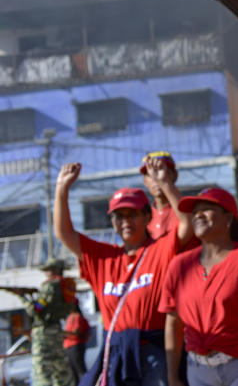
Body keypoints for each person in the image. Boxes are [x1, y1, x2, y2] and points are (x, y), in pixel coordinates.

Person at [54, 159, 192, 386]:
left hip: (156, 354)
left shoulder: (161, 249)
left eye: (132, 214)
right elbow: (63, 233)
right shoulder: (103, 257)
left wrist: (165, 184)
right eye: (119, 216)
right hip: (116, 355)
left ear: (148, 217)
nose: (126, 221)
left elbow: (187, 221)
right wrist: (61, 188)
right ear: (112, 222)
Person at [160, 187, 238, 386]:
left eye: (207, 208)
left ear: (228, 219)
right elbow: (172, 323)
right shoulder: (179, 265)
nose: (198, 215)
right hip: (199, 371)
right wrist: (172, 376)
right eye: (195, 211)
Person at [27, 258, 77, 386]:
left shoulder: (49, 286)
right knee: (61, 370)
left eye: (48, 270)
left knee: (42, 372)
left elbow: (37, 310)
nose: (46, 273)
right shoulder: (67, 285)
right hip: (57, 331)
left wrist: (24, 300)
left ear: (56, 270)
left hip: (44, 333)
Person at [140, 151, 181, 239]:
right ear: (145, 181)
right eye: (150, 174)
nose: (156, 178)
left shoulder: (188, 209)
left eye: (161, 170)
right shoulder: (144, 218)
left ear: (175, 175)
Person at [63, 301, 92, 383]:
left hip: (75, 347)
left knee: (80, 371)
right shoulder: (70, 317)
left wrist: (61, 332)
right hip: (69, 348)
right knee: (73, 374)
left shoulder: (76, 317)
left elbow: (76, 333)